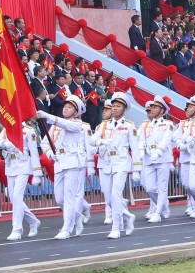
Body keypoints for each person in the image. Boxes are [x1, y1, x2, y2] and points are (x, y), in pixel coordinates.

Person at [37, 94, 91, 240]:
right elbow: (44, 143)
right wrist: (49, 154)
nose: (65, 109)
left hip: (73, 163)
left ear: (76, 112)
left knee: (68, 197)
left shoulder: (78, 124)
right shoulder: (56, 126)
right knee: (59, 198)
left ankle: (67, 228)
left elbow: (66, 125)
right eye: (65, 106)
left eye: (69, 107)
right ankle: (76, 216)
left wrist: (46, 115)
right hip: (59, 163)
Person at [93, 92, 136, 239]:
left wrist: (136, 169)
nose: (115, 109)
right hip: (105, 163)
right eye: (114, 106)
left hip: (121, 162)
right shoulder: (104, 125)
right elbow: (92, 141)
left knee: (115, 194)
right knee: (109, 198)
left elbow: (134, 148)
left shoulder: (129, 126)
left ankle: (116, 227)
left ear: (124, 109)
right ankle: (127, 216)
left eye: (118, 106)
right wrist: (100, 141)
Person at [0, 119, 42, 241]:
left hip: (23, 164)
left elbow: (34, 152)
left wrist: (37, 173)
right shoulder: (6, 130)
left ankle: (17, 229)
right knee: (14, 199)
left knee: (17, 196)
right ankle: (33, 221)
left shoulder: (28, 130)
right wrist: (5, 143)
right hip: (10, 165)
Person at [135, 98, 174, 222]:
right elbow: (141, 139)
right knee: (150, 187)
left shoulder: (168, 124)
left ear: (162, 110)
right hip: (148, 158)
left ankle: (157, 213)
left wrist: (158, 152)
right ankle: (163, 205)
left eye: (156, 107)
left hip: (162, 158)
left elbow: (166, 139)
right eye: (152, 107)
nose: (153, 109)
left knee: (162, 187)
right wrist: (141, 150)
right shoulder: (146, 125)